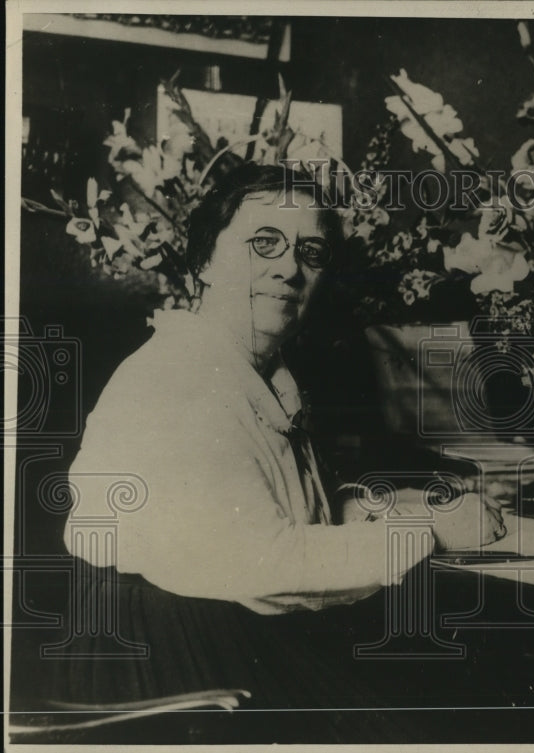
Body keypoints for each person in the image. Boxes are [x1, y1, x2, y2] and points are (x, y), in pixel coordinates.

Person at [57, 163, 505, 712]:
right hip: (175, 668)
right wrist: (429, 530)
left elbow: (288, 509)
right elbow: (261, 561)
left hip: (221, 634)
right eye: (263, 243)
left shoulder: (255, 373)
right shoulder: (179, 377)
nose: (289, 268)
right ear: (203, 263)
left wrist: (396, 506)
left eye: (310, 252)